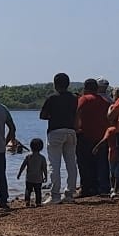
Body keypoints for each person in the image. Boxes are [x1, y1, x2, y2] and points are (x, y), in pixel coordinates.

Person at [39, 72, 79, 204]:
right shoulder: (74, 98)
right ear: (68, 84)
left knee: (54, 165)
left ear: (55, 84)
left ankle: (55, 195)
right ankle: (69, 193)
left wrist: (53, 115)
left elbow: (43, 115)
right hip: (71, 131)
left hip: (55, 131)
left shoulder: (52, 98)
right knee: (71, 164)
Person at [75, 78, 110, 198]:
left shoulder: (84, 99)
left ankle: (86, 188)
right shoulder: (105, 101)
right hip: (101, 136)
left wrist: (75, 128)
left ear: (85, 88)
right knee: (101, 164)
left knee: (84, 164)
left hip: (85, 135)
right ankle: (102, 188)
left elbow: (77, 113)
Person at [17, 138, 48, 207]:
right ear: (41, 148)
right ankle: (38, 202)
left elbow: (23, 166)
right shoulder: (42, 158)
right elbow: (44, 168)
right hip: (38, 178)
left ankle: (27, 201)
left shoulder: (28, 157)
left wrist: (19, 174)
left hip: (29, 178)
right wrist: (46, 176)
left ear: (31, 147)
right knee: (38, 191)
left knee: (28, 190)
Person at [93, 125, 119, 199]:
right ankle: (115, 189)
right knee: (117, 173)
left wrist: (96, 147)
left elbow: (104, 140)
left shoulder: (110, 130)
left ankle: (113, 189)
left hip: (112, 154)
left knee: (112, 173)